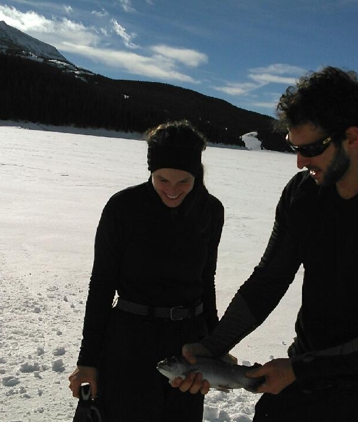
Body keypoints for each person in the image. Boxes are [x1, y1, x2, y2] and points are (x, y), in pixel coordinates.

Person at [173, 67, 358, 421]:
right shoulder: (301, 195)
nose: (300, 162)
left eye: (311, 149)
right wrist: (211, 348)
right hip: (309, 376)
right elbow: (268, 281)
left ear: (351, 136)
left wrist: (300, 369)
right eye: (294, 147)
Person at [68, 120, 224, 421]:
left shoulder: (210, 211)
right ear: (151, 171)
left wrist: (215, 345)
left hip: (188, 345)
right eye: (163, 180)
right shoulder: (123, 207)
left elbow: (207, 282)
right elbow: (101, 285)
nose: (173, 191)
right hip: (130, 342)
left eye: (184, 182)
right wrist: (88, 360)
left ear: (197, 174)